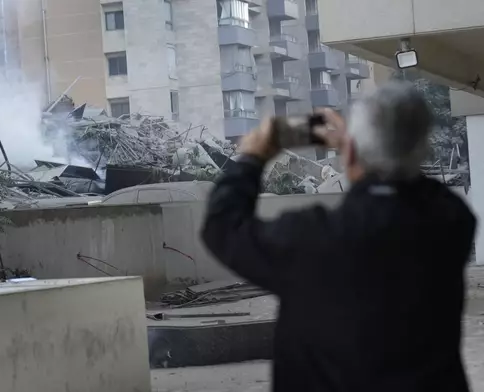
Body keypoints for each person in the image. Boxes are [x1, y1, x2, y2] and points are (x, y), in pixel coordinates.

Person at [201, 81, 477, 392]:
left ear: (351, 153)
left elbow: (222, 225)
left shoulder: (311, 237)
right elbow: (420, 187)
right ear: (421, 148)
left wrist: (252, 158)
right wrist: (366, 147)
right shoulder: (450, 224)